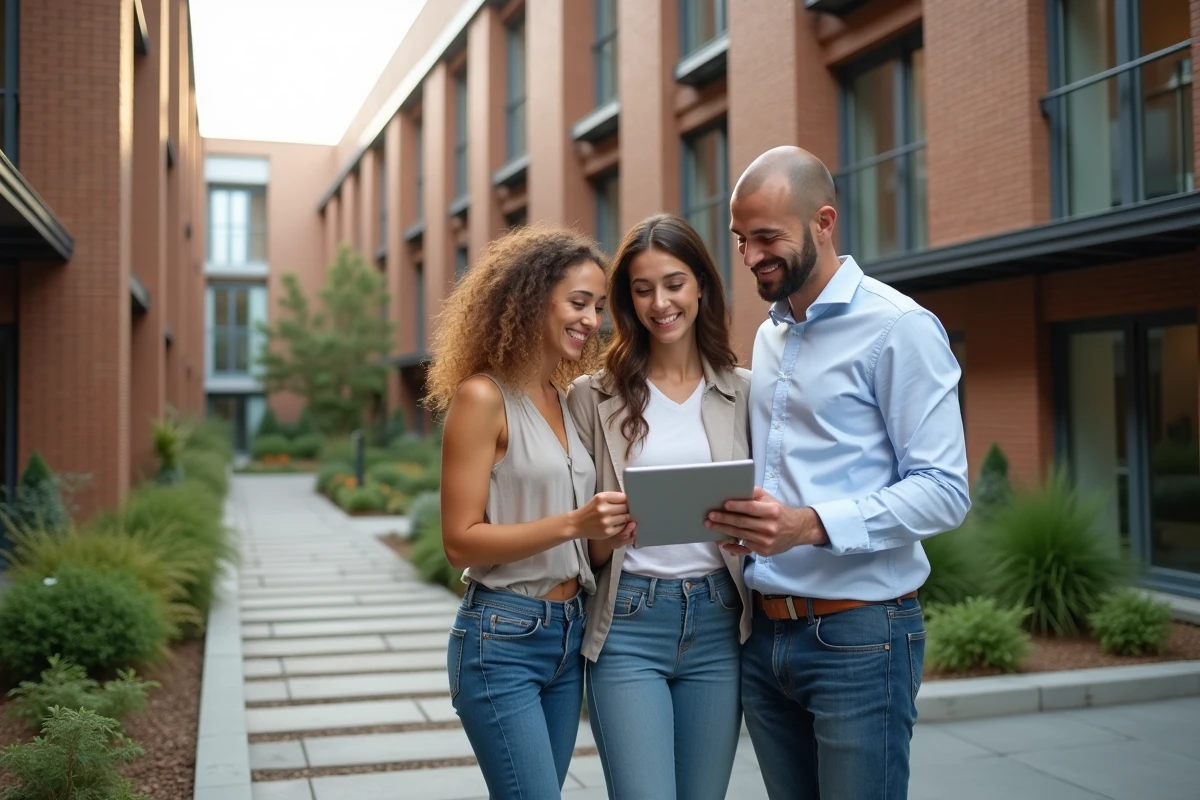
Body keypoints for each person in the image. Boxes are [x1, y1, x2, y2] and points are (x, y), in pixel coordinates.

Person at [706, 146, 971, 800]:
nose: (750, 257)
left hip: (860, 638)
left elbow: (946, 492)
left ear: (824, 222)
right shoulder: (769, 337)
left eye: (767, 237)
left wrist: (808, 525)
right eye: (741, 240)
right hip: (765, 639)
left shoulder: (899, 327)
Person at [427, 225, 636, 799]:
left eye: (598, 308)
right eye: (577, 303)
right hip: (502, 637)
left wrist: (611, 532)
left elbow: (581, 541)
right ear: (529, 298)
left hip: (568, 637)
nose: (591, 320)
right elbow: (460, 542)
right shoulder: (482, 398)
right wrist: (575, 522)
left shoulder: (567, 401)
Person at [566, 213, 752, 800]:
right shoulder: (591, 397)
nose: (660, 303)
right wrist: (606, 529)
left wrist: (751, 528)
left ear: (700, 284)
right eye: (642, 290)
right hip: (628, 623)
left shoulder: (745, 391)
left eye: (673, 283)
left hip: (720, 619)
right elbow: (581, 544)